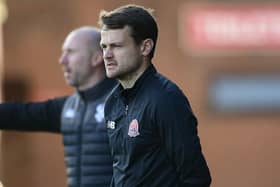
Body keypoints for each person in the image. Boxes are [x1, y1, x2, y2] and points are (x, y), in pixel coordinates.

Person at [99, 4, 211, 187]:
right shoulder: (112, 102)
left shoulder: (166, 99)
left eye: (116, 46)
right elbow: (122, 171)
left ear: (145, 47)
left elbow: (196, 178)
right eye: (104, 46)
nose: (107, 55)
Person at [0, 26, 116, 187]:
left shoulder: (128, 105)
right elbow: (18, 114)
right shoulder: (69, 107)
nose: (62, 60)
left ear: (96, 58)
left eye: (71, 52)